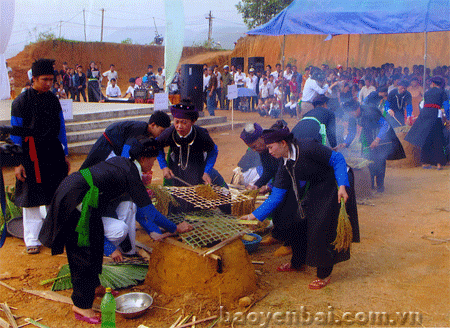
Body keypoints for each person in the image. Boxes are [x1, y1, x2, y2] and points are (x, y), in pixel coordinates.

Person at [38, 138, 193, 324]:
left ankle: (94, 287)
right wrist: (176, 228)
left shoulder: (125, 163)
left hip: (86, 197)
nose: (153, 164)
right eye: (152, 160)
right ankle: (81, 305)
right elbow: (148, 211)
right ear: (144, 159)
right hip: (75, 197)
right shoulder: (131, 173)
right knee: (82, 251)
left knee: (95, 239)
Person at [240, 122, 359, 289]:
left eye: (272, 147)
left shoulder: (308, 146)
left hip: (336, 181)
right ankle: (298, 262)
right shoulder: (284, 163)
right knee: (298, 220)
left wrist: (342, 186)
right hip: (319, 183)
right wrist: (253, 216)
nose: (269, 151)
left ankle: (324, 274)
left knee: (321, 224)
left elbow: (337, 159)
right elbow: (276, 196)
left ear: (283, 143)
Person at [10, 58, 70, 254]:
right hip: (30, 154)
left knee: (54, 194)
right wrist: (18, 162)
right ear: (33, 78)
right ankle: (32, 240)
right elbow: (16, 134)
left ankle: (52, 235)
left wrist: (65, 153)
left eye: (51, 79)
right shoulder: (20, 102)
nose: (48, 83)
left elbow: (61, 128)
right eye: (44, 79)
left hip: (53, 153)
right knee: (31, 196)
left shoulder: (54, 100)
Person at [157, 100, 227, 213]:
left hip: (197, 167)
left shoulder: (201, 134)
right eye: (176, 122)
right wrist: (164, 166)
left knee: (196, 203)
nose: (179, 126)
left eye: (184, 122)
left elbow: (213, 151)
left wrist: (206, 171)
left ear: (193, 122)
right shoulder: (170, 132)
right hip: (176, 169)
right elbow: (157, 146)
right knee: (176, 202)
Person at [80, 110, 171, 170]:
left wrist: (164, 167)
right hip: (107, 143)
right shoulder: (140, 129)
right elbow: (127, 148)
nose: (162, 134)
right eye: (162, 131)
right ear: (153, 125)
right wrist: (124, 167)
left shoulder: (151, 136)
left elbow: (158, 147)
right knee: (89, 166)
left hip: (117, 148)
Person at [358, 91, 406, 192]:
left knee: (375, 161)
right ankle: (378, 186)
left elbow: (385, 125)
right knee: (375, 162)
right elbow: (384, 125)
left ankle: (374, 186)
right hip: (370, 139)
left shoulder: (367, 108)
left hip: (375, 139)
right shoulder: (371, 110)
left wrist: (376, 140)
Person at [405, 76, 449, 170]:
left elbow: (424, 105)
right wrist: (448, 118)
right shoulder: (442, 92)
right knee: (438, 139)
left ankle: (425, 162)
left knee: (426, 138)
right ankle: (439, 164)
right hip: (435, 116)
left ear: (433, 84)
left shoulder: (427, 92)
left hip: (425, 115)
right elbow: (446, 106)